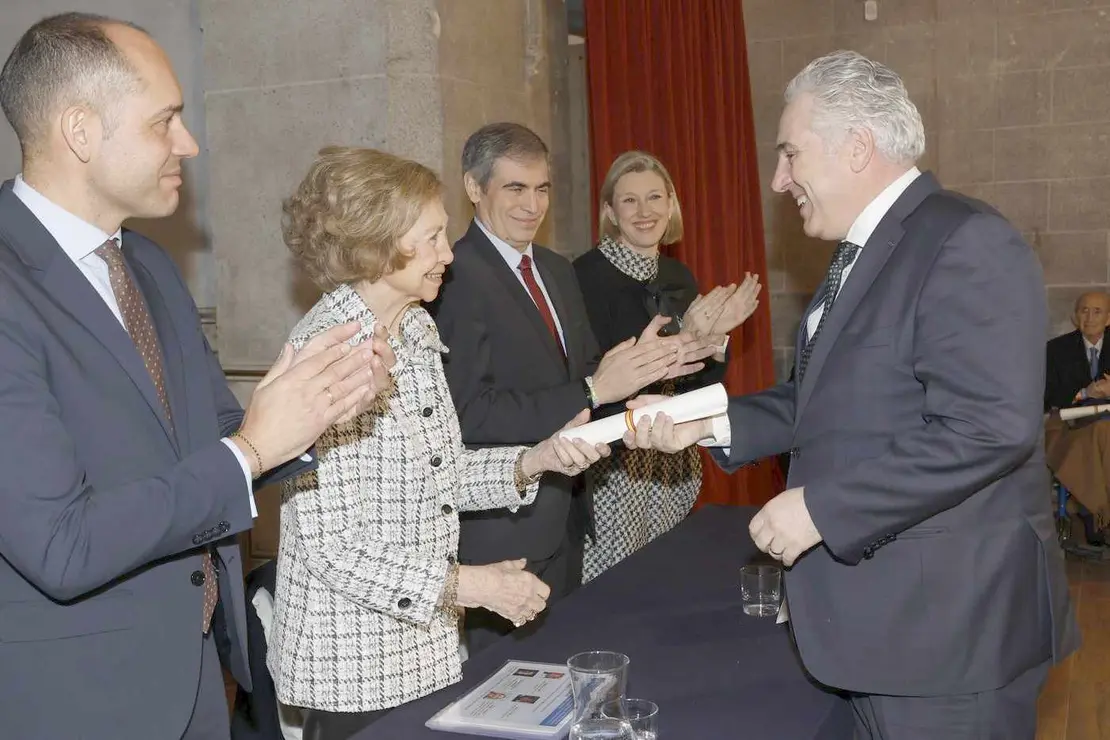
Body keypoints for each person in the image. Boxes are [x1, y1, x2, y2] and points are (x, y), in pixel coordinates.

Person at [622, 50, 1078, 739]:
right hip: (886, 632)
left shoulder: (965, 241)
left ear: (857, 147)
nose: (779, 180)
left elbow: (989, 427)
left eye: (790, 154)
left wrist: (824, 509)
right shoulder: (863, 253)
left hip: (949, 641)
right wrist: (698, 418)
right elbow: (821, 402)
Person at [0, 13, 391, 740]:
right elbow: (60, 544)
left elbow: (213, 437)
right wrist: (250, 451)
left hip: (200, 678)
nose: (189, 142)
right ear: (81, 132)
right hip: (75, 701)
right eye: (165, 121)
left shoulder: (145, 264)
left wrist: (308, 410)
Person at [268, 147, 610, 740]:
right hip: (355, 665)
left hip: (423, 646)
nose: (448, 256)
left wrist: (537, 458)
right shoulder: (329, 353)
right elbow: (335, 547)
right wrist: (471, 585)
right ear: (377, 245)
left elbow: (440, 474)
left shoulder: (414, 329)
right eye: (430, 238)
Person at [431, 123, 712, 653]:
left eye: (542, 189)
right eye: (515, 188)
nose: (531, 205)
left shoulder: (556, 270)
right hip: (502, 530)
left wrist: (641, 365)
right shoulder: (453, 276)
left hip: (568, 513)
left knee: (561, 678)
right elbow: (469, 415)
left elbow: (587, 374)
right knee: (503, 694)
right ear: (474, 188)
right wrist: (590, 388)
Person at [573, 150, 760, 581]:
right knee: (615, 595)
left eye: (655, 197)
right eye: (629, 201)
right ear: (610, 212)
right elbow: (591, 385)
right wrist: (685, 340)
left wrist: (713, 341)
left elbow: (702, 382)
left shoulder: (678, 275)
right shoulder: (582, 278)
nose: (645, 212)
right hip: (616, 467)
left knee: (666, 587)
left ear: (671, 204)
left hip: (674, 460)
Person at [1044, 290, 1110, 545]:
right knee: (1101, 434)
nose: (1090, 317)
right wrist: (1085, 392)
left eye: (1097, 311)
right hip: (1068, 425)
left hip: (1103, 424)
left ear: (1108, 319)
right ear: (1074, 316)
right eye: (1084, 310)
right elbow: (1047, 396)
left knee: (1103, 433)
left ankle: (1092, 511)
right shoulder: (1057, 349)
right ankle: (1096, 513)